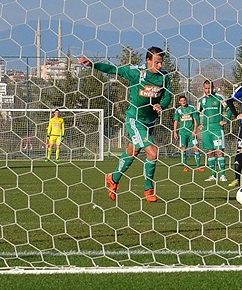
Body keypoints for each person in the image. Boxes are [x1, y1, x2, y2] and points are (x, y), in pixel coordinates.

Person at [79, 46, 172, 203]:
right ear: (148, 60)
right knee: (153, 152)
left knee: (132, 151)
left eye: (161, 62)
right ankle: (148, 190)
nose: (160, 66)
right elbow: (114, 69)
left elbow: (168, 95)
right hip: (134, 119)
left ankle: (113, 178)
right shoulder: (137, 72)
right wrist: (93, 64)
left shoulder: (164, 76)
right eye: (156, 62)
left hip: (150, 121)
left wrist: (162, 105)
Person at [198, 81, 232, 182]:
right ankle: (213, 175)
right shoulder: (201, 100)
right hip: (207, 130)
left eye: (210, 88)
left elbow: (229, 108)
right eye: (206, 88)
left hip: (217, 129)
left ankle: (222, 175)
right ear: (203, 89)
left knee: (219, 151)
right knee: (210, 152)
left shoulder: (219, 98)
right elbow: (196, 113)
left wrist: (226, 120)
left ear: (213, 88)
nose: (208, 90)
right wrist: (199, 124)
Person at [173, 95, 202, 172]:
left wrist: (195, 130)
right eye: (181, 100)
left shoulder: (192, 108)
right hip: (182, 133)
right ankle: (185, 166)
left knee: (196, 148)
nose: (183, 102)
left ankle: (198, 166)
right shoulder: (178, 110)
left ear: (186, 100)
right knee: (183, 149)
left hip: (191, 132)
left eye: (184, 100)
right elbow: (176, 121)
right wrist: (175, 132)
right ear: (179, 102)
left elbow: (196, 119)